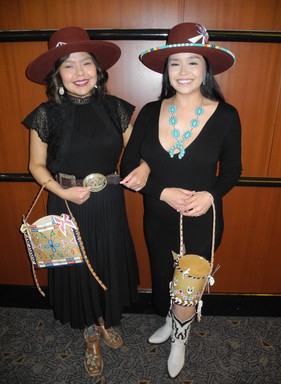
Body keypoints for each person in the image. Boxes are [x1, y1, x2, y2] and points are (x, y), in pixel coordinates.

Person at [22, 26, 148, 377]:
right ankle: (89, 333)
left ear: (98, 70)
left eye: (86, 63)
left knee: (105, 261)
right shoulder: (46, 115)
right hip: (66, 203)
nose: (80, 73)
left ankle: (104, 319)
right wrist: (63, 193)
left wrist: (146, 166)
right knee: (77, 269)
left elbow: (139, 150)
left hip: (108, 201)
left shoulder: (116, 108)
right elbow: (35, 165)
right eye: (69, 65)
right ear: (57, 74)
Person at [120, 22, 242, 378]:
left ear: (206, 68)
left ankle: (179, 340)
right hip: (157, 218)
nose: (184, 71)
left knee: (187, 288)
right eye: (175, 63)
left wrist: (211, 195)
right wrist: (160, 190)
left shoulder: (226, 115)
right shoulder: (149, 110)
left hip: (201, 219)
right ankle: (172, 322)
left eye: (193, 62)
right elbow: (129, 165)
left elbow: (233, 170)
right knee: (164, 282)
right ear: (166, 69)